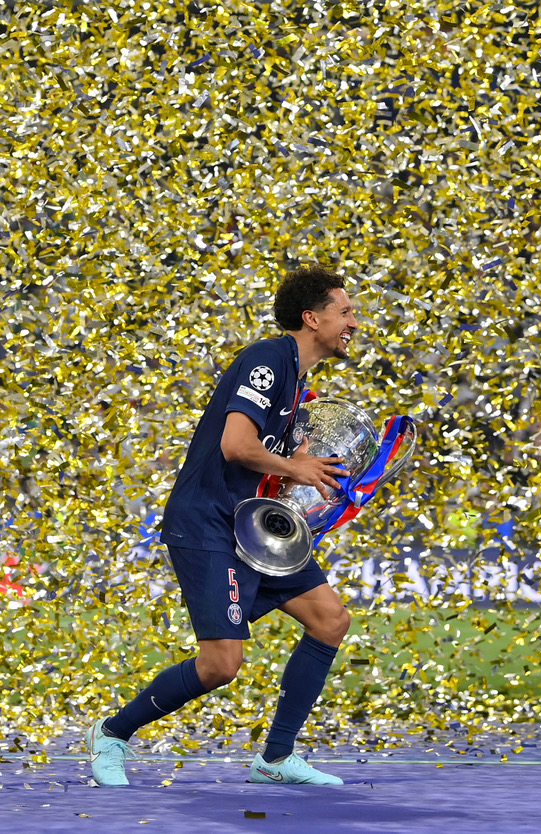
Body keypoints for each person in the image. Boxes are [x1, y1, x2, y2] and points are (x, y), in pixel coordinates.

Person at [86, 265, 358, 787]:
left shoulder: (299, 380)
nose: (353, 322)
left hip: (251, 525)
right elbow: (235, 446)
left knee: (330, 620)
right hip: (208, 522)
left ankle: (275, 759)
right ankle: (113, 732)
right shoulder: (268, 359)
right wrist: (296, 466)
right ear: (311, 317)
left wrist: (303, 476)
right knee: (220, 665)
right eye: (344, 312)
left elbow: (261, 461)